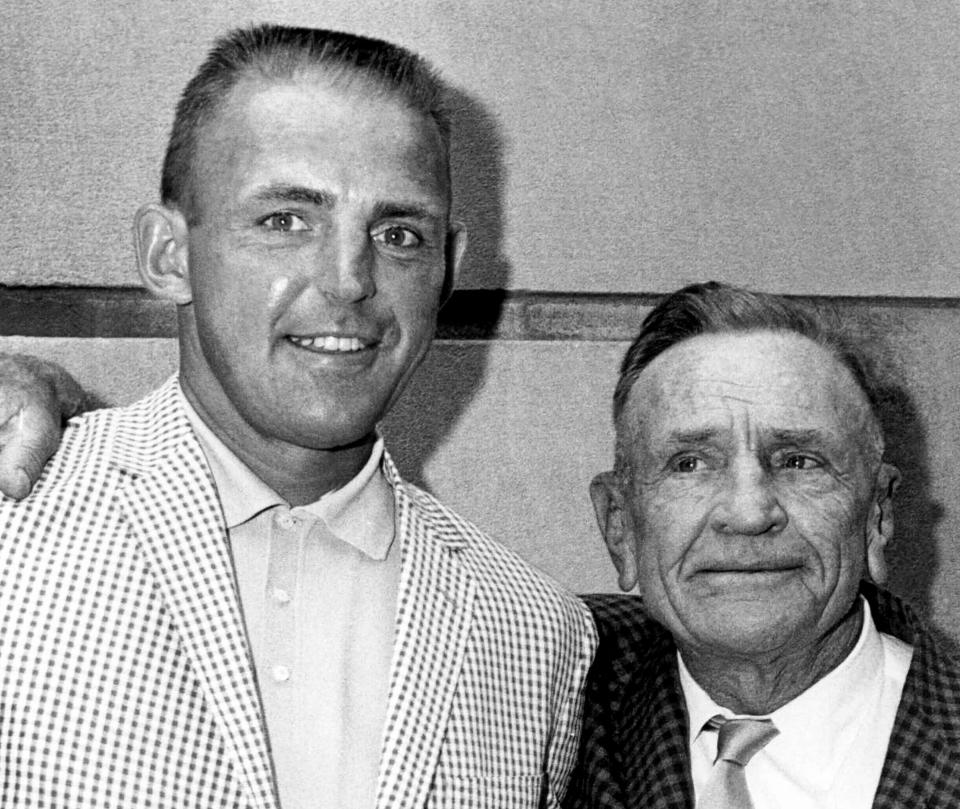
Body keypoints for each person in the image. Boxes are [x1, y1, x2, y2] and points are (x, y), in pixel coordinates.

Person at [0, 24, 596, 809]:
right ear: (166, 253)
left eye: (398, 234)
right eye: (286, 219)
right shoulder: (16, 521)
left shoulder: (535, 632)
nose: (349, 280)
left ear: (448, 269)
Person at [563, 282, 960, 809]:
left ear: (877, 514)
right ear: (619, 527)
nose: (749, 515)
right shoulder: (547, 690)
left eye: (798, 460)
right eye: (690, 463)